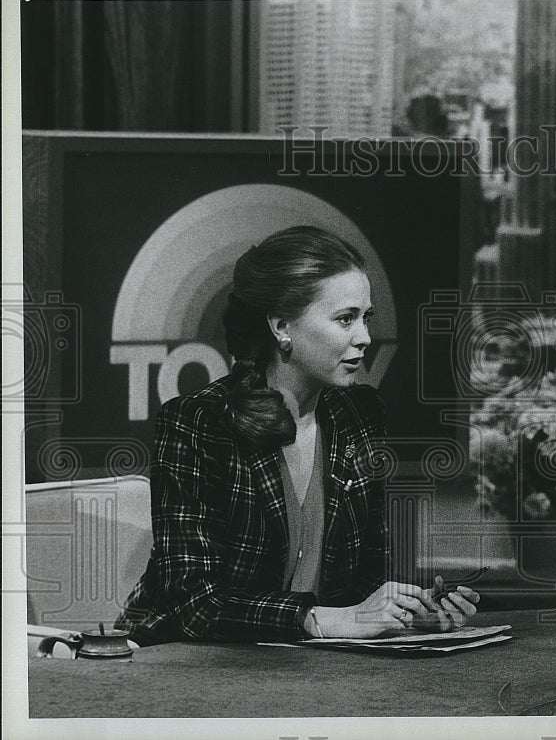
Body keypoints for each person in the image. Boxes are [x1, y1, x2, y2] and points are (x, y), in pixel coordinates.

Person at [118, 226, 478, 644]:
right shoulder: (198, 422)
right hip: (185, 664)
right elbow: (195, 605)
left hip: (308, 668)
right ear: (281, 325)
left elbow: (365, 583)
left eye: (366, 318)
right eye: (345, 319)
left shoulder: (359, 415)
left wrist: (409, 613)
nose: (364, 338)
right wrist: (316, 620)